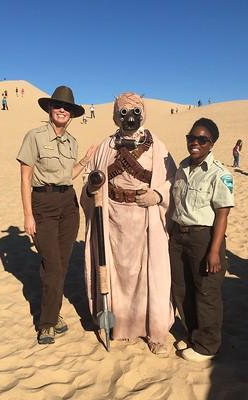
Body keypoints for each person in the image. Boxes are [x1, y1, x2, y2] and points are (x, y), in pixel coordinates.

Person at [81, 92, 176, 355]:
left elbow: (173, 180)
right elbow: (91, 180)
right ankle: (121, 326)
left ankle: (155, 332)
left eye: (135, 112)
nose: (130, 117)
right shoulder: (105, 146)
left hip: (146, 220)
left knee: (150, 277)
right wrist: (92, 188)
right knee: (117, 276)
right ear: (115, 115)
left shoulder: (157, 145)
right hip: (112, 220)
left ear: (143, 114)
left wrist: (157, 195)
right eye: (124, 112)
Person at [16, 86, 95, 345]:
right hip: (43, 204)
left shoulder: (72, 141)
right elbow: (25, 178)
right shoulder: (35, 136)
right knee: (52, 264)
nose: (62, 110)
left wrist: (84, 160)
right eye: (57, 106)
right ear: (50, 109)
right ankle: (47, 323)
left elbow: (67, 175)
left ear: (71, 113)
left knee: (60, 263)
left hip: (68, 205)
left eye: (67, 107)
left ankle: (53, 313)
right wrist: (28, 215)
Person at [169, 118, 234, 362]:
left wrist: (214, 251)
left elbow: (223, 214)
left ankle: (207, 346)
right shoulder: (182, 167)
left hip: (203, 238)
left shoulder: (220, 174)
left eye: (202, 139)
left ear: (211, 143)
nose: (195, 143)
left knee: (206, 292)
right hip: (179, 235)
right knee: (181, 289)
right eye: (191, 138)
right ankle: (193, 334)